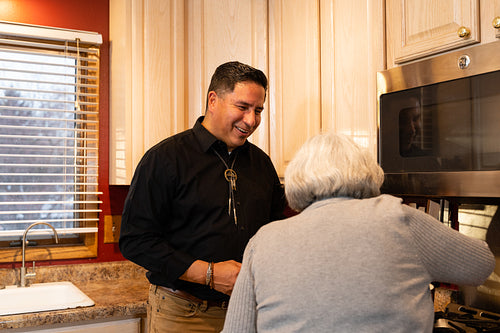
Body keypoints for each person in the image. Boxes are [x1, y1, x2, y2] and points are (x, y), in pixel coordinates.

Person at [221, 132, 495, 333]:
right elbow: (481, 265)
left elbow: (236, 329)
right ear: (366, 172)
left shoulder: (264, 240)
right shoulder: (397, 218)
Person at [119, 61, 287, 332]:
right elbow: (135, 241)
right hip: (184, 313)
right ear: (213, 100)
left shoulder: (262, 164)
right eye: (242, 107)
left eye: (258, 110)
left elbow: (274, 231)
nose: (251, 120)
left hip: (249, 310)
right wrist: (210, 274)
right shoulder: (164, 159)